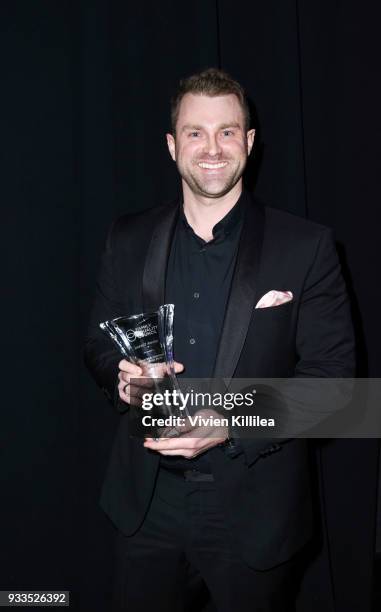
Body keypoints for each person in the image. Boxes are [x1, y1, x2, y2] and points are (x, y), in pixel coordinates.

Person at [84, 68, 355, 612]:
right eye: (195, 132)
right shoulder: (128, 236)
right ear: (171, 144)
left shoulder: (307, 247)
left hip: (255, 511)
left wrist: (227, 421)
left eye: (227, 131)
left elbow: (337, 389)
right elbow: (97, 345)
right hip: (146, 504)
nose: (212, 148)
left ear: (249, 143)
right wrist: (121, 378)